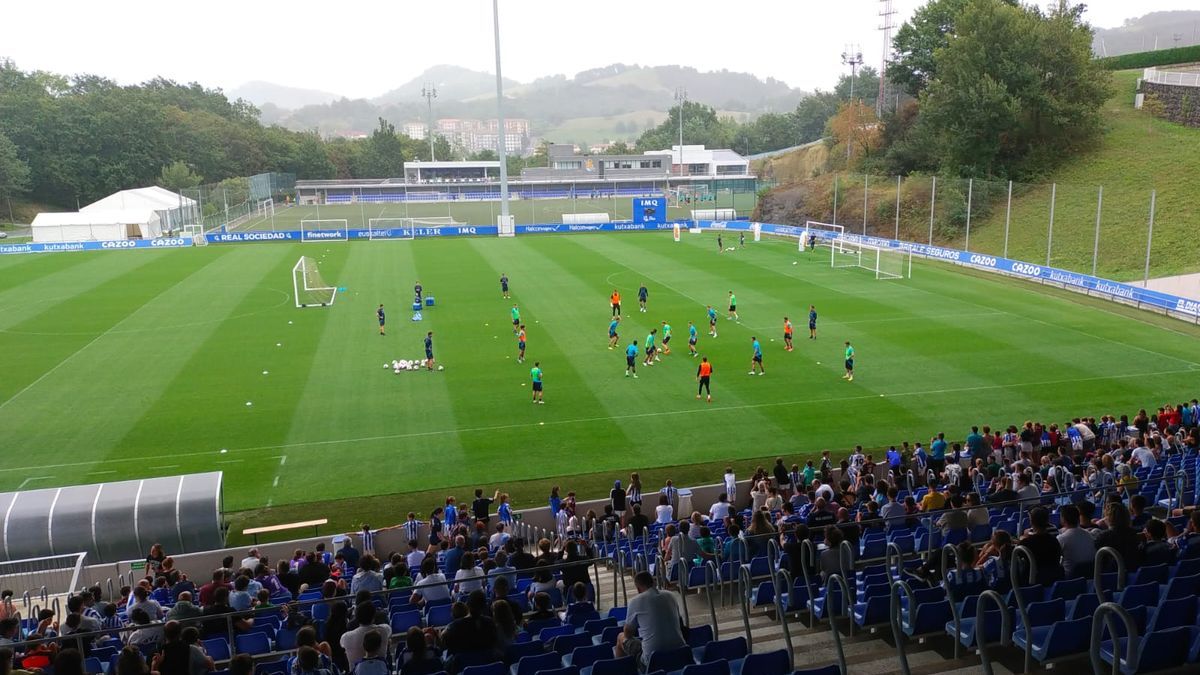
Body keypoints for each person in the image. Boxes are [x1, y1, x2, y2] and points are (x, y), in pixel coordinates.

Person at [615, 572, 686, 672]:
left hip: (653, 661)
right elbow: (680, 623)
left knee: (620, 637)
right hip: (681, 655)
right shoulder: (671, 595)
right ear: (654, 582)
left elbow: (628, 633)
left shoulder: (635, 601)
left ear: (638, 589)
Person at [339, 603, 391, 667]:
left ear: (357, 618)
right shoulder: (384, 630)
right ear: (373, 617)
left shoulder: (346, 637)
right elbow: (388, 629)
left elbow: (342, 643)